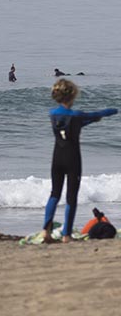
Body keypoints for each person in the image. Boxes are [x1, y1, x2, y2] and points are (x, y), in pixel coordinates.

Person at [41, 79, 117, 243]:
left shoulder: (53, 114)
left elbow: (70, 125)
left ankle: (45, 231)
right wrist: (114, 110)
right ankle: (67, 235)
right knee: (71, 198)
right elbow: (97, 114)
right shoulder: (77, 115)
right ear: (73, 95)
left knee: (54, 194)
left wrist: (88, 121)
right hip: (72, 159)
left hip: (57, 158)